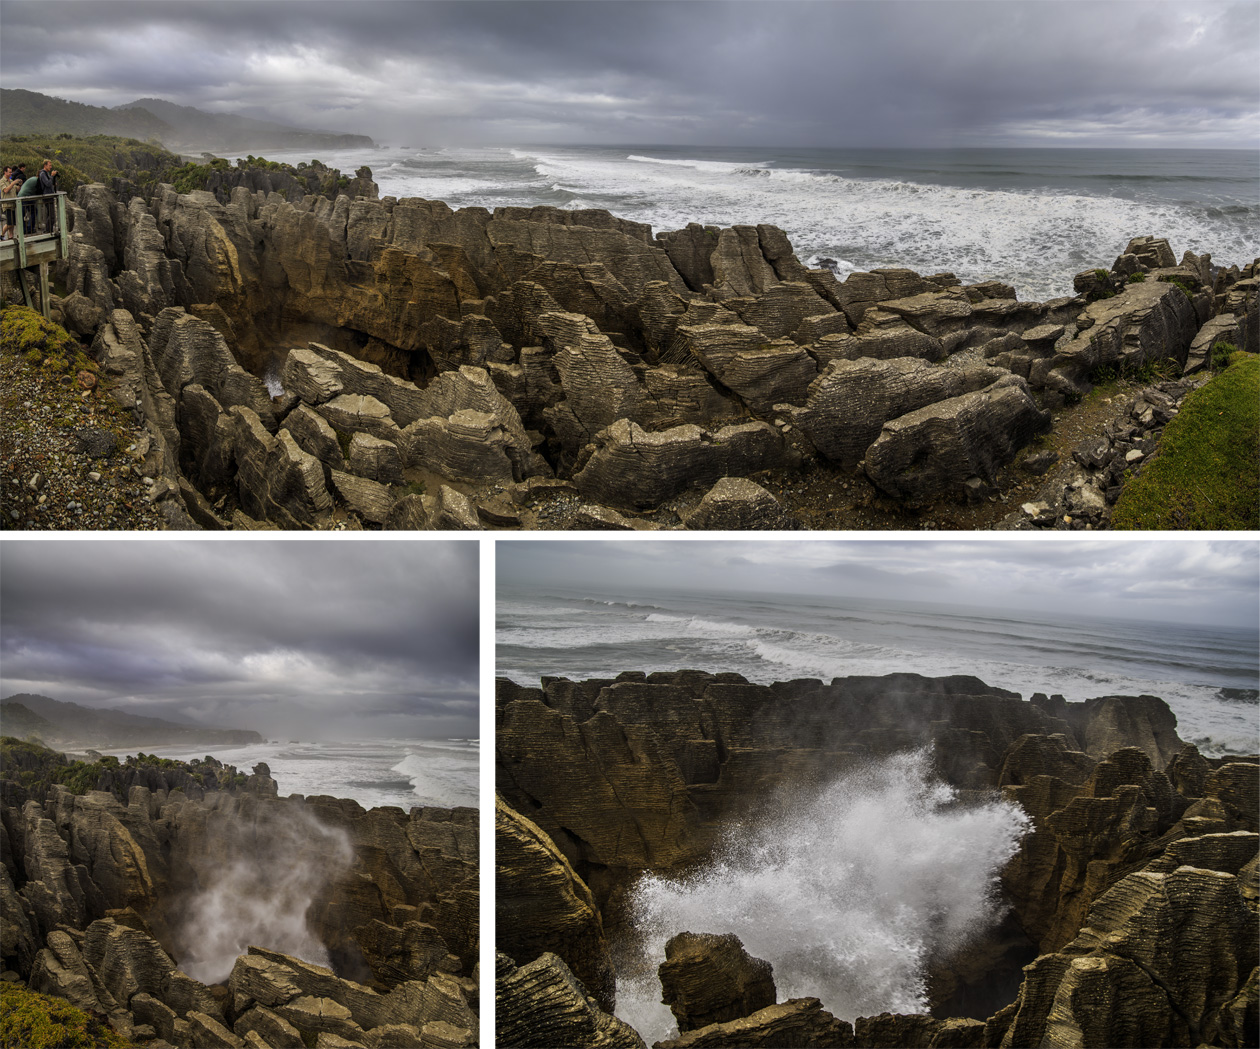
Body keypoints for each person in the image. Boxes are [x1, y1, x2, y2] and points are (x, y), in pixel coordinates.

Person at [16, 165, 41, 234]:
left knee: (23, 214)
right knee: (33, 211)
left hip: (21, 196)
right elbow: (40, 190)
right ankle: (29, 228)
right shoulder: (37, 180)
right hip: (26, 197)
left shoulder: (33, 178)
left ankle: (24, 229)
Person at [37, 159, 59, 233]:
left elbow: (50, 183)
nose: (51, 167)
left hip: (50, 195)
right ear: (45, 165)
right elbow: (47, 184)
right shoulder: (43, 174)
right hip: (47, 196)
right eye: (49, 165)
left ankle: (48, 229)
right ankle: (48, 230)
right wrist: (52, 176)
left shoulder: (46, 173)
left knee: (50, 214)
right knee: (51, 215)